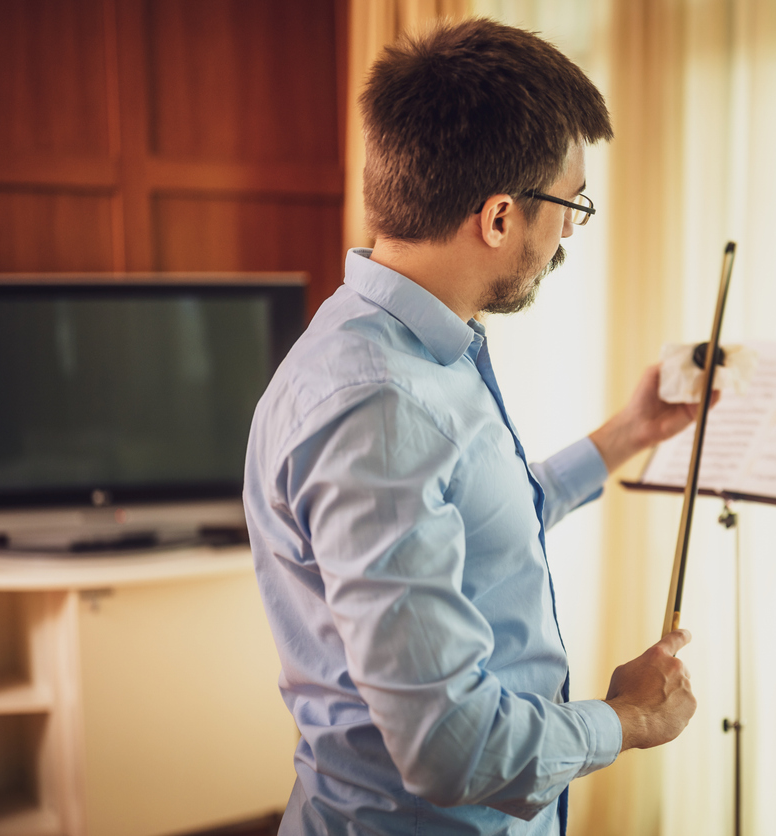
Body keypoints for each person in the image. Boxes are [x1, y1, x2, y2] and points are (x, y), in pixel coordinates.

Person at [243, 17, 698, 835]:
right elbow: (451, 747)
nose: (569, 232)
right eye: (569, 205)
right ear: (496, 218)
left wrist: (625, 435)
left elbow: (474, 518)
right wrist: (627, 719)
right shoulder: (380, 404)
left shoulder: (397, 343)